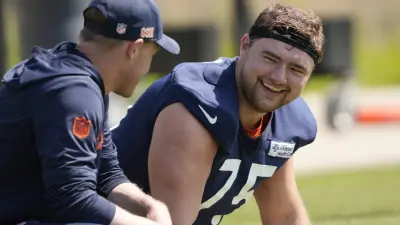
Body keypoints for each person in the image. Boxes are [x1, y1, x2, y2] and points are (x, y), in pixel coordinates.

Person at [111, 3, 325, 225]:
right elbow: (173, 222)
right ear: (244, 46)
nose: (279, 77)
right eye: (270, 58)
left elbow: (284, 216)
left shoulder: (286, 119)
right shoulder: (197, 105)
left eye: (296, 69)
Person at [0, 0, 180, 224]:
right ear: (134, 49)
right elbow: (72, 198)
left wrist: (150, 206)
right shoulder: (75, 93)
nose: (148, 68)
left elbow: (106, 174)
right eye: (150, 56)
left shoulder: (85, 79)